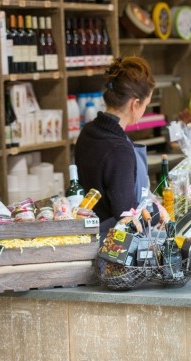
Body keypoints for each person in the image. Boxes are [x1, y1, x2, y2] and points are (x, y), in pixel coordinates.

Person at [75, 56, 155, 235]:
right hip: (111, 248)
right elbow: (127, 219)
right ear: (135, 104)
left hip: (89, 235)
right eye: (146, 105)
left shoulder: (88, 131)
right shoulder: (119, 150)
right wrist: (157, 212)